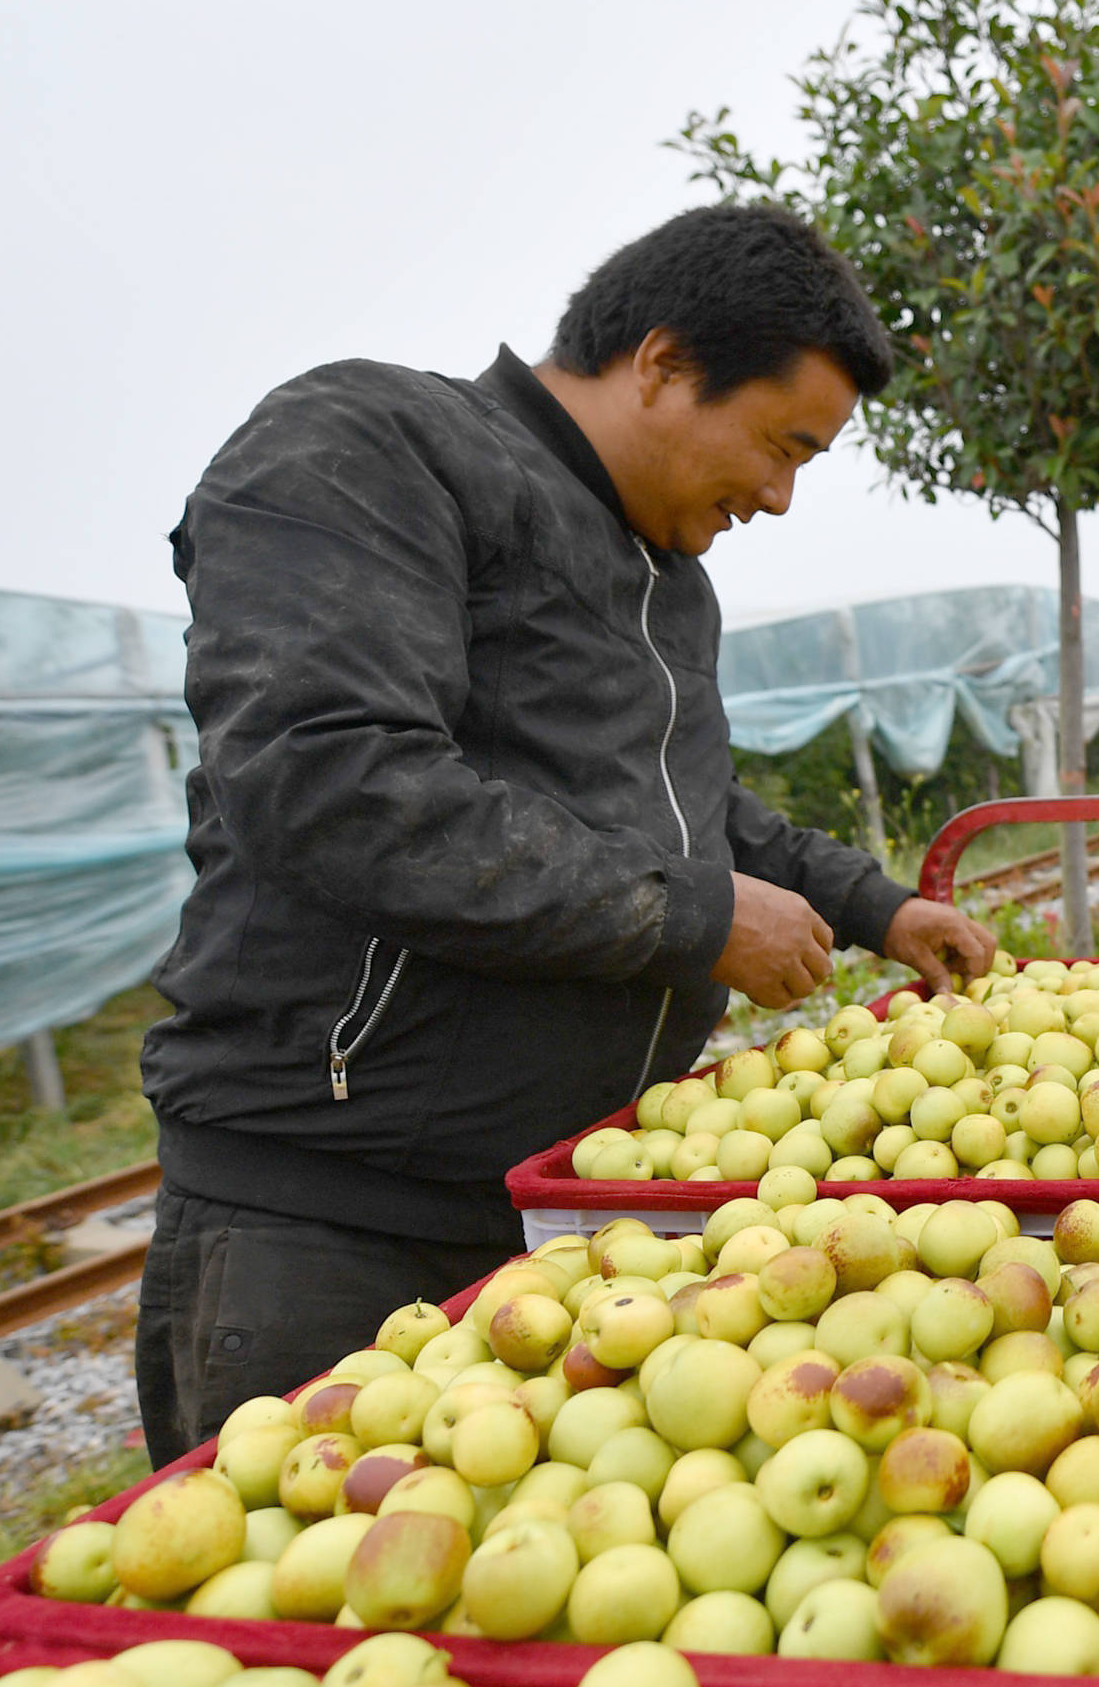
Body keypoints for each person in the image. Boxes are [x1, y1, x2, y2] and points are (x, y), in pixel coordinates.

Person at [136, 203, 995, 1463]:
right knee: (327, 1632)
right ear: (661, 362)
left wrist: (872, 905)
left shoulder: (665, 578)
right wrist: (702, 917)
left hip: (571, 1219)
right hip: (330, 1226)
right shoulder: (371, 447)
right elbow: (333, 779)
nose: (781, 495)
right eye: (780, 443)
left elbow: (684, 817)